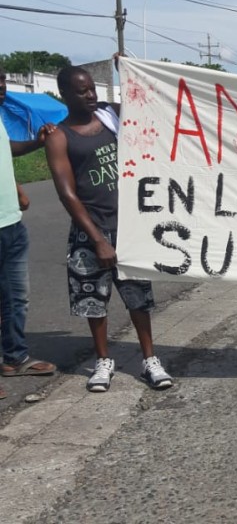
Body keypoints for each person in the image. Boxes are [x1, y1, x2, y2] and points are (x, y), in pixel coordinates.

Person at [45, 66, 173, 392]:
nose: (91, 95)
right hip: (90, 231)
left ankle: (149, 359)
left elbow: (143, 103)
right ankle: (103, 361)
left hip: (127, 227)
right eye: (82, 91)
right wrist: (98, 239)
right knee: (93, 300)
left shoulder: (109, 117)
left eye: (92, 89)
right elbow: (67, 193)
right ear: (65, 95)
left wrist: (128, 70)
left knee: (138, 298)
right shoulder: (59, 136)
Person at [0, 67, 56, 396]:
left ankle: (14, 358)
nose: (1, 88)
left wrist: (36, 143)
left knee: (15, 298)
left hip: (10, 223)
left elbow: (6, 151)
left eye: (2, 81)